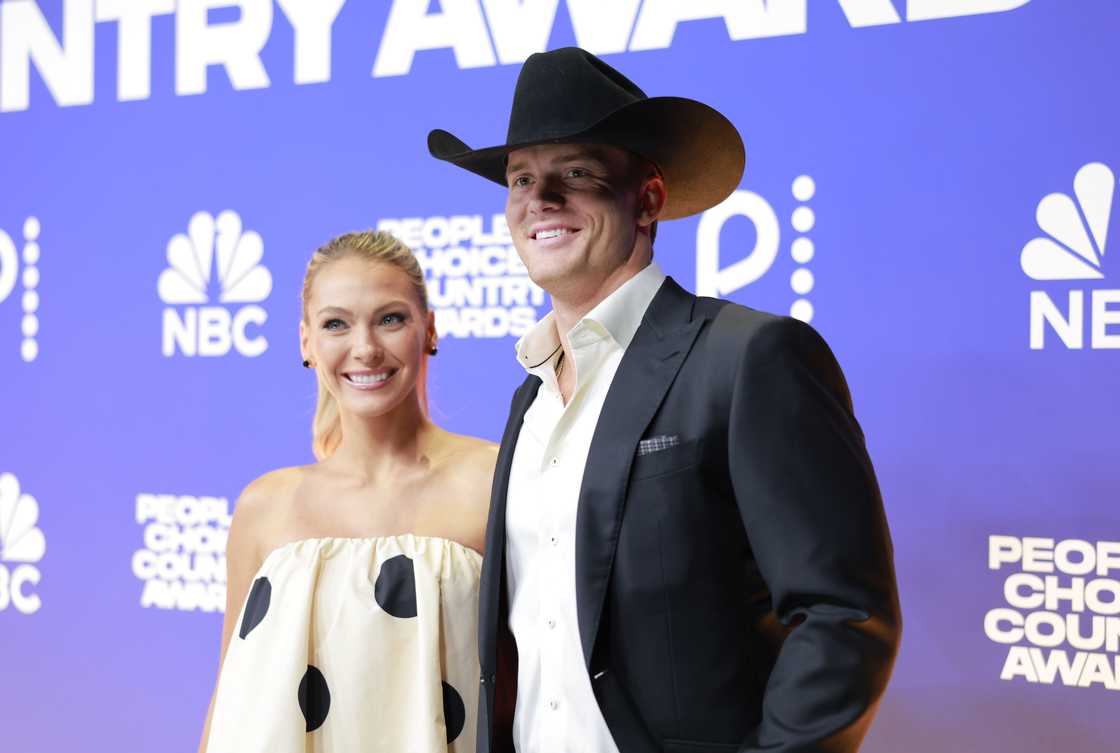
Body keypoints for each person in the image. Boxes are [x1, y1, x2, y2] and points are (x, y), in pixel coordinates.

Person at [428, 47, 902, 753]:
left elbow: (844, 616)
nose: (541, 198)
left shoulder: (748, 358)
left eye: (577, 173)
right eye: (521, 177)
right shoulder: (528, 401)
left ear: (647, 198)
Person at [198, 230, 497, 753]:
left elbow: (535, 690)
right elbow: (230, 704)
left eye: (390, 318)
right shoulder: (265, 507)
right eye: (336, 323)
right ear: (306, 342)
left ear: (428, 330)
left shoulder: (494, 481)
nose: (364, 348)